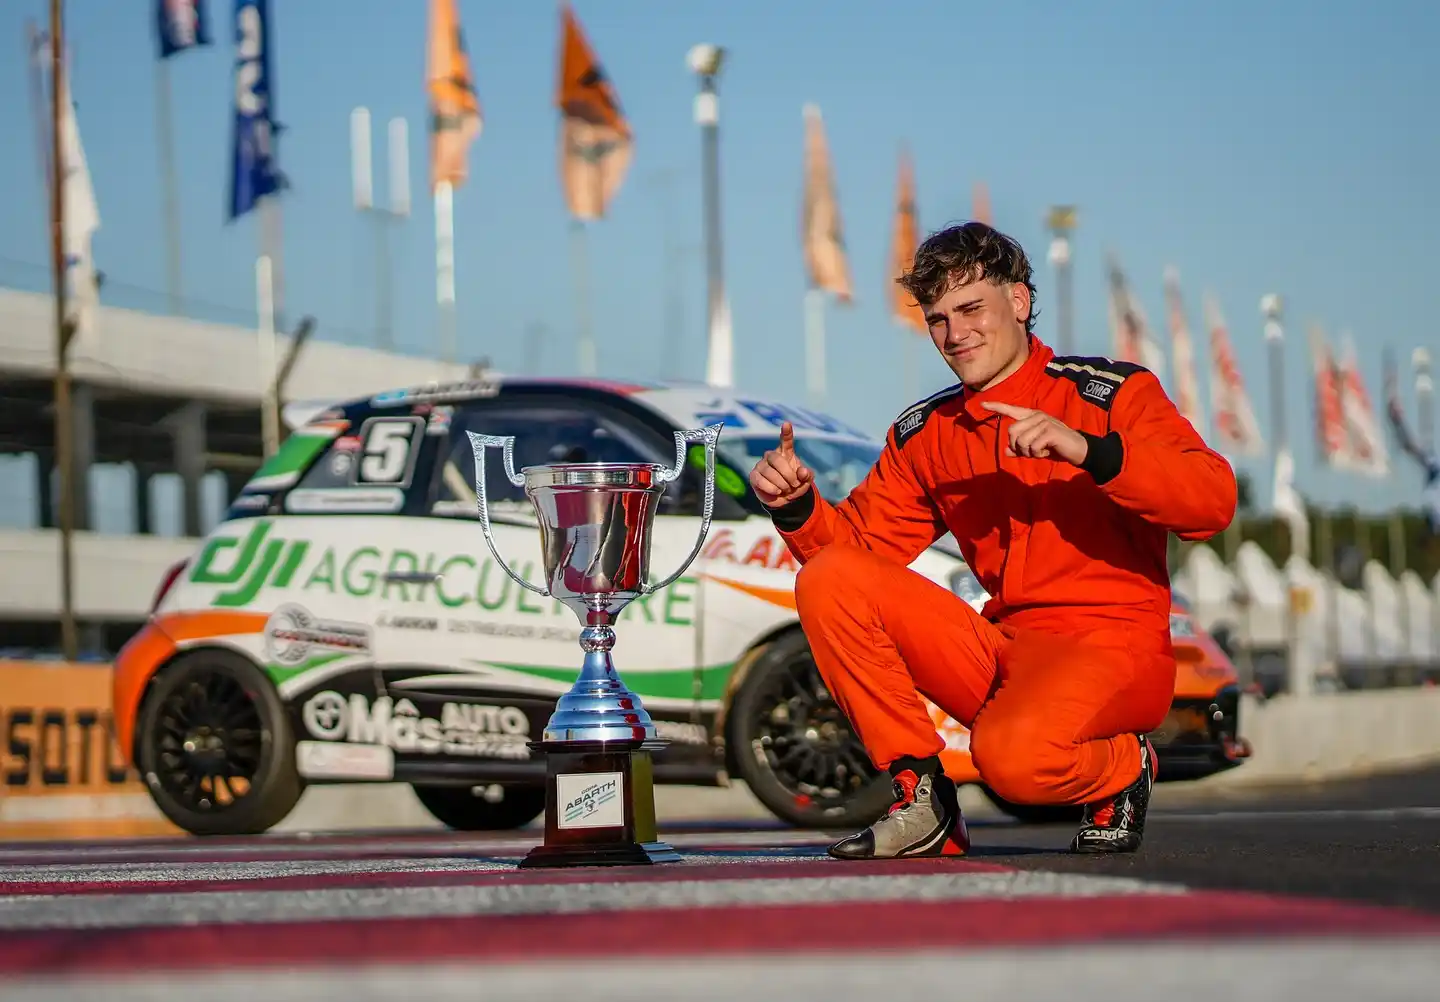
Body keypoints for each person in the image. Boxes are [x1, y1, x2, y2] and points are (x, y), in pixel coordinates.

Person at [748, 222, 1237, 858]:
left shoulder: (1113, 392)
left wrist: (1091, 451)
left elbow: (1212, 503)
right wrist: (797, 509)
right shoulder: (928, 432)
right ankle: (921, 802)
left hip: (1114, 650)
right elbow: (851, 563)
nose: (955, 335)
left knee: (1011, 763)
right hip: (1004, 652)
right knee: (826, 578)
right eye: (938, 319)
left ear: (1019, 301)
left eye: (971, 308)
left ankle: (1122, 767)